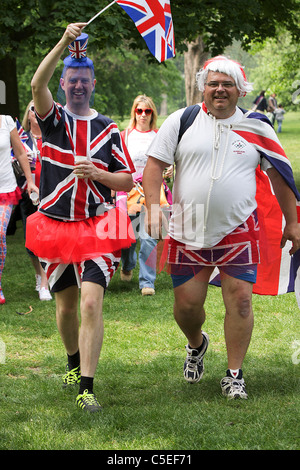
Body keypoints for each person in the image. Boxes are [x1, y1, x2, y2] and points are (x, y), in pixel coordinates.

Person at [143, 55, 300, 400]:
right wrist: (153, 209)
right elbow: (154, 166)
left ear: (240, 90)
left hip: (239, 229)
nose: (219, 90)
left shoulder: (258, 127)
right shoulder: (181, 121)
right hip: (188, 230)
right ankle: (197, 344)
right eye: (213, 83)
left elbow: (280, 177)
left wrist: (293, 222)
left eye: (227, 84)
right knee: (186, 307)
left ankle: (234, 374)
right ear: (203, 87)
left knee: (241, 302)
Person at [27, 23, 135, 412]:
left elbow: (126, 178)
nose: (76, 85)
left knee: (91, 304)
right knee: (67, 306)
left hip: (98, 225)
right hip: (55, 226)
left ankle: (86, 387)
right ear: (64, 84)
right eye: (71, 80)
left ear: (92, 83)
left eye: (83, 80)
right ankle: (72, 361)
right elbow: (38, 84)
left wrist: (99, 174)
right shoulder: (53, 119)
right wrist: (61, 43)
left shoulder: (108, 128)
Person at [119, 94, 171, 296]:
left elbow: (166, 161)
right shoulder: (125, 136)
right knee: (128, 236)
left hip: (152, 191)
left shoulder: (158, 136)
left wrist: (168, 170)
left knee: (149, 236)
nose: (143, 115)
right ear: (134, 112)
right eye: (139, 110)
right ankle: (128, 263)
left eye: (147, 111)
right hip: (129, 191)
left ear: (152, 114)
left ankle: (147, 282)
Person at [0, 114, 38, 304]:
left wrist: (30, 181)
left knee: (0, 234)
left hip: (5, 190)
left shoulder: (7, 121)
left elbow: (21, 152)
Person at [18, 101, 52, 300]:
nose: (36, 111)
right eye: (33, 108)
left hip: (51, 194)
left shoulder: (53, 136)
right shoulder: (21, 139)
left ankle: (46, 283)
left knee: (47, 239)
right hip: (28, 194)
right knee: (30, 241)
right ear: (28, 114)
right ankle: (39, 275)